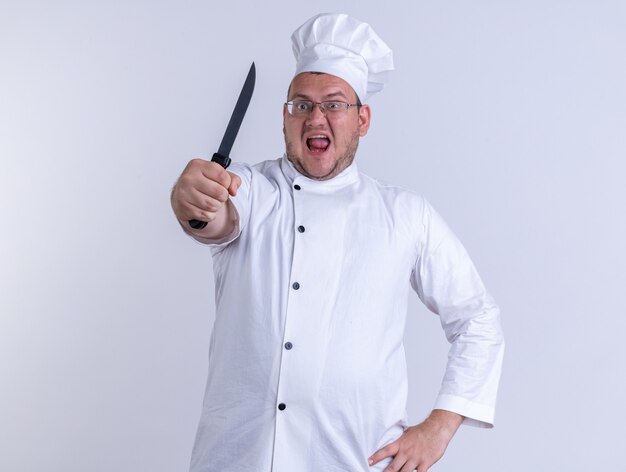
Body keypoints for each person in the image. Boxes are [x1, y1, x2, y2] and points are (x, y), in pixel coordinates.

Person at [171, 13, 504, 472]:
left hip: (353, 461)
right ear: (285, 117)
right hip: (236, 458)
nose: (316, 117)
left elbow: (477, 319)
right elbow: (213, 219)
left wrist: (439, 427)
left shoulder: (405, 214)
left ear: (362, 119)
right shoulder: (248, 190)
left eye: (334, 104)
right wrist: (192, 201)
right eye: (301, 105)